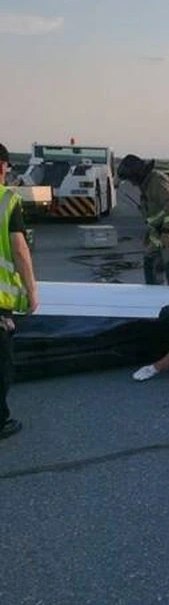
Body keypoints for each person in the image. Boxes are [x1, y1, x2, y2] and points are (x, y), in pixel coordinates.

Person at [0, 143, 39, 440]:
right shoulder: (7, 200)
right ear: (2, 166)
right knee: (2, 364)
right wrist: (31, 292)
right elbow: (19, 251)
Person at [117, 154, 169, 285]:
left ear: (136, 175)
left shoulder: (157, 181)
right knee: (151, 265)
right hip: (158, 234)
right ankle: (154, 297)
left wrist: (167, 230)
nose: (132, 183)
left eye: (131, 179)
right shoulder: (146, 184)